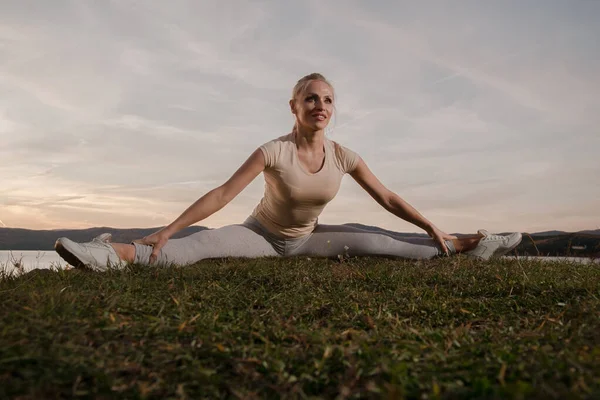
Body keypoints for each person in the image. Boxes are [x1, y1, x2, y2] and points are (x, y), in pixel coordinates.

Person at [55, 73, 522, 272]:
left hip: (309, 238)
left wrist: (429, 224)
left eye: (328, 99)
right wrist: (170, 228)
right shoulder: (272, 151)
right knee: (196, 247)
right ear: (295, 106)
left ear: (333, 108)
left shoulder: (344, 155)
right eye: (311, 98)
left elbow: (388, 198)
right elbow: (222, 194)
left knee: (384, 241)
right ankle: (111, 255)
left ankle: (473, 244)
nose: (320, 105)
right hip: (260, 235)